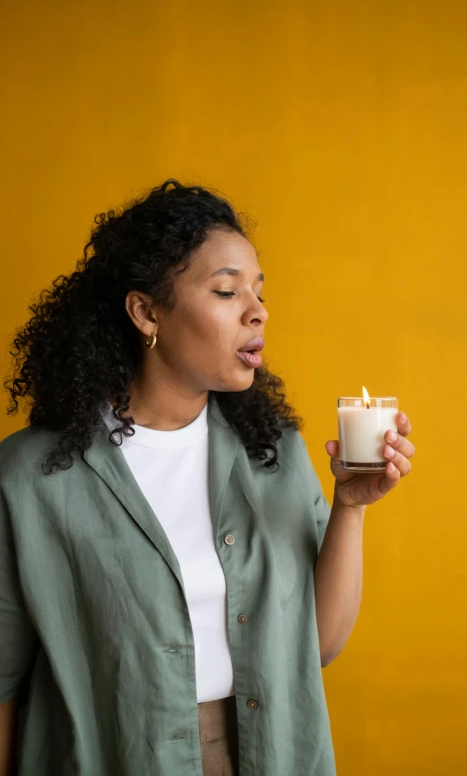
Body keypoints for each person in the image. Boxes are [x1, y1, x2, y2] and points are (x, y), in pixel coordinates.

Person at [0, 178, 415, 776]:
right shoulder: (31, 478)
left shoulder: (274, 452)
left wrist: (351, 504)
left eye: (259, 291)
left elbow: (318, 645)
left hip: (267, 751)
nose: (258, 310)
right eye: (226, 291)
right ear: (146, 312)